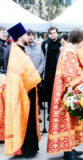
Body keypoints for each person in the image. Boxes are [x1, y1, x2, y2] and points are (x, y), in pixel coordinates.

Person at [47, 28, 83, 160]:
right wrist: (82, 83)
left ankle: (71, 148)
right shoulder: (69, 51)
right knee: (67, 120)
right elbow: (69, 73)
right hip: (67, 90)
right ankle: (69, 153)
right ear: (78, 40)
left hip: (65, 88)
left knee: (70, 120)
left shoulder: (67, 49)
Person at [4, 23, 41, 157]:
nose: (28, 36)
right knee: (23, 120)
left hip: (27, 90)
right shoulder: (15, 51)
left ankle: (30, 147)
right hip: (23, 91)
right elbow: (19, 72)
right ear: (20, 37)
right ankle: (26, 149)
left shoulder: (19, 49)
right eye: (25, 34)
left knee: (28, 120)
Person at [41, 26, 61, 120]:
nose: (52, 35)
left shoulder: (61, 43)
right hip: (48, 73)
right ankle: (50, 113)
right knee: (49, 94)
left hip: (58, 71)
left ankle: (58, 112)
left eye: (54, 33)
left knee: (58, 93)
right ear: (48, 34)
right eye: (51, 33)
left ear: (57, 33)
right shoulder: (45, 43)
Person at [25, 29, 45, 112]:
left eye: (32, 35)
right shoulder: (24, 48)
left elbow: (42, 61)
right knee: (28, 97)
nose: (30, 37)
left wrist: (38, 72)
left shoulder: (38, 48)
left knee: (37, 97)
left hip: (37, 76)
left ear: (34, 36)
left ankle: (37, 114)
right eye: (28, 35)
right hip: (27, 77)